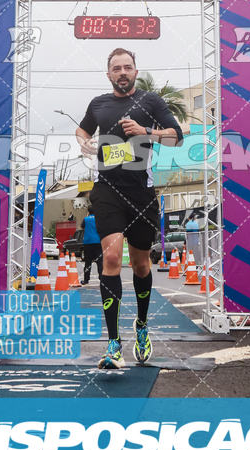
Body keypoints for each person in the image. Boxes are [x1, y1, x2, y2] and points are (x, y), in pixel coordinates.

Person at [76, 48, 182, 368]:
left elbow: (176, 136)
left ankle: (142, 326)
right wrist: (83, 141)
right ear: (108, 74)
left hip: (141, 194)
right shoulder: (98, 104)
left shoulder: (151, 102)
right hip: (107, 190)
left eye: (128, 67)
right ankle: (112, 343)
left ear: (136, 71)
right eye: (116, 68)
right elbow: (82, 128)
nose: (122, 72)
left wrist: (145, 131)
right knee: (110, 256)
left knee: (140, 265)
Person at [80, 208, 103, 285]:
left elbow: (82, 226)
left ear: (88, 211)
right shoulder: (99, 219)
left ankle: (86, 279)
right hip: (98, 241)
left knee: (88, 262)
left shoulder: (86, 219)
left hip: (88, 242)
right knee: (100, 262)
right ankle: (102, 279)